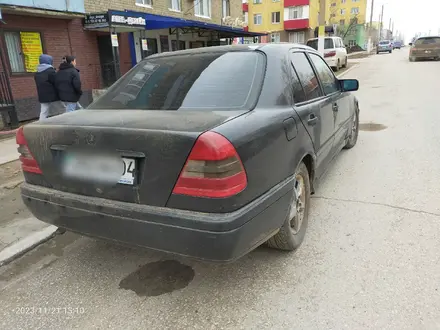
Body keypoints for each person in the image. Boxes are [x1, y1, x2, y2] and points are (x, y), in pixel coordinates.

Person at [34, 54, 59, 120]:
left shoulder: (37, 73)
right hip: (53, 95)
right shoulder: (50, 71)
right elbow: (56, 82)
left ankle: (40, 125)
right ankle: (66, 123)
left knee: (43, 112)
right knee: (63, 109)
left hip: (42, 95)